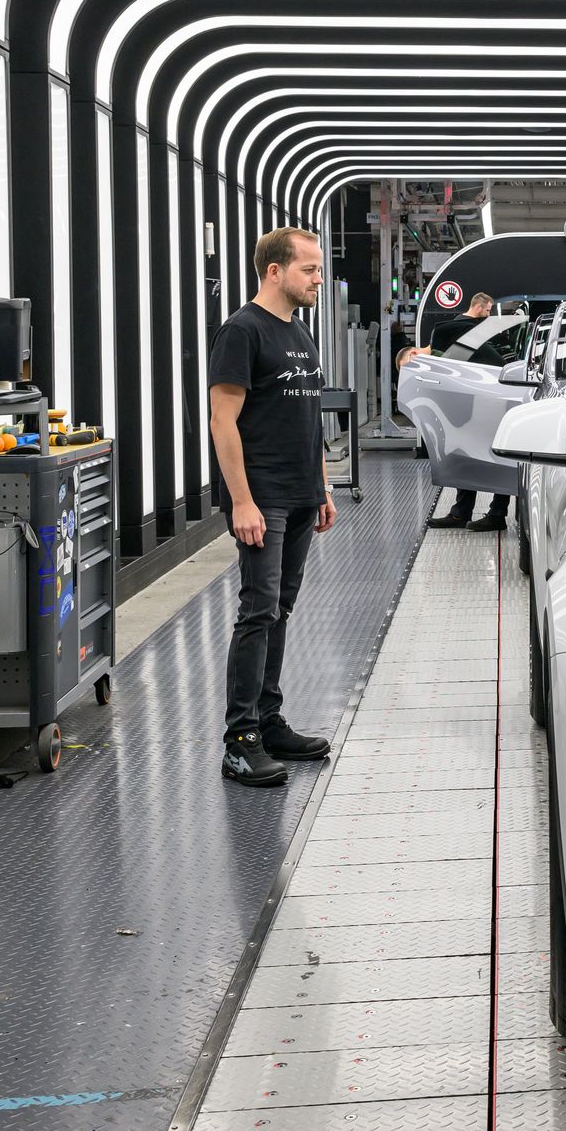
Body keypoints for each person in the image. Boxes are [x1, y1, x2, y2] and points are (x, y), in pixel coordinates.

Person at [207, 226, 337, 788]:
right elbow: (222, 422)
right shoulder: (242, 331)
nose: (318, 279)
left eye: (319, 269)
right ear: (274, 271)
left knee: (279, 608)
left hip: (302, 497)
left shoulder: (299, 334)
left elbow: (309, 421)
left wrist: (324, 488)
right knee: (258, 610)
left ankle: (268, 719)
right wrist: (242, 501)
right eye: (309, 269)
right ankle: (240, 741)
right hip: (263, 499)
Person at [397, 291, 513, 532]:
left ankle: (497, 514)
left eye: (409, 366)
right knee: (465, 451)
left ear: (415, 353)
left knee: (497, 454)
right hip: (477, 402)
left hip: (494, 397)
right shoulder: (439, 355)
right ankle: (462, 513)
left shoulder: (441, 337)